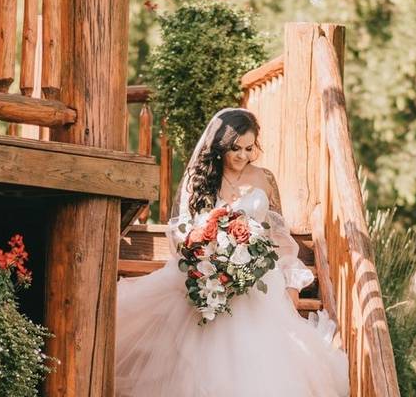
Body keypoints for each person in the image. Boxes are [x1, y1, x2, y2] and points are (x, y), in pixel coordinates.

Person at [115, 108, 349, 396]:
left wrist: (290, 279)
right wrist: (210, 261)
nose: (242, 156)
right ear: (220, 147)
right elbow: (184, 234)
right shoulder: (199, 179)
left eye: (249, 148)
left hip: (258, 277)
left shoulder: (265, 178)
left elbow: (278, 233)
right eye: (235, 148)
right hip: (211, 275)